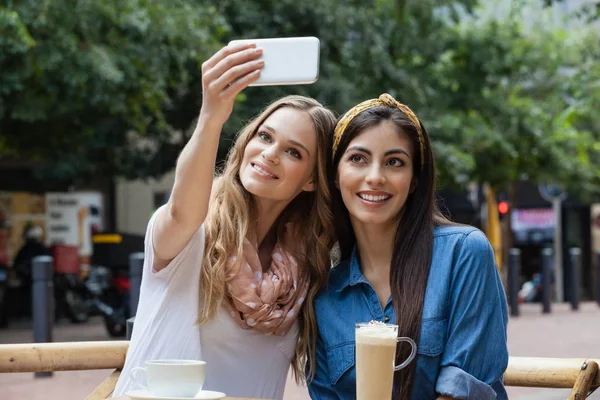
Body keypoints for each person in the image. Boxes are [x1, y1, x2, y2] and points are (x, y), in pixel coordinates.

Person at [113, 42, 337, 399]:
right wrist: (211, 117)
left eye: (293, 152)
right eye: (264, 136)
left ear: (312, 179)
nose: (269, 154)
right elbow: (183, 212)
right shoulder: (193, 235)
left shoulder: (307, 267)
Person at [308, 94, 509, 400]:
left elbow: (464, 390)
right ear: (336, 175)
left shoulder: (464, 253)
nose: (375, 177)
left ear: (414, 179)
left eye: (394, 162)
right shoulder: (325, 295)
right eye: (358, 159)